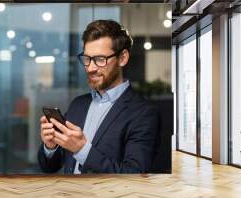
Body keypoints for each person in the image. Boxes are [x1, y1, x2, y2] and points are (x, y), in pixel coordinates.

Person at [37, 19, 160, 174]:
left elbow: (133, 175)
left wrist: (81, 149)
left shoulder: (144, 113)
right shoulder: (78, 104)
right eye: (87, 59)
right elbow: (50, 167)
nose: (90, 68)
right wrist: (50, 146)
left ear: (123, 58)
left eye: (100, 59)